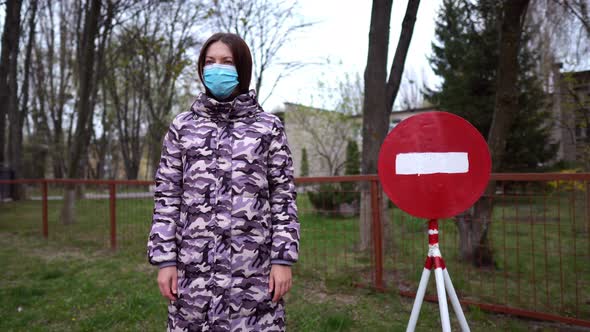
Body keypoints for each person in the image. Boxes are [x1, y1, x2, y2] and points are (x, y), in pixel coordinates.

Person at [147, 32, 300, 332]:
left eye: (227, 62)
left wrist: (283, 259)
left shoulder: (268, 128)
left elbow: (283, 197)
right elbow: (167, 196)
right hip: (194, 275)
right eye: (210, 61)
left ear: (241, 68)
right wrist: (165, 261)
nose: (217, 68)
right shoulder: (183, 127)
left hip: (253, 275)